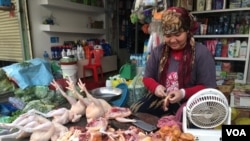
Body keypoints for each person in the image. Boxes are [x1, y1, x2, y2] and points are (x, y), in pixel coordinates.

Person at [130, 7, 217, 118]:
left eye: (177, 35)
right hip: (163, 99)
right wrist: (156, 87)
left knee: (183, 120)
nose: (172, 40)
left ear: (187, 31)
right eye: (168, 36)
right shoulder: (158, 52)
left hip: (191, 100)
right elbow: (147, 78)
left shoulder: (201, 53)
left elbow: (208, 87)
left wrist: (182, 93)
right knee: (135, 110)